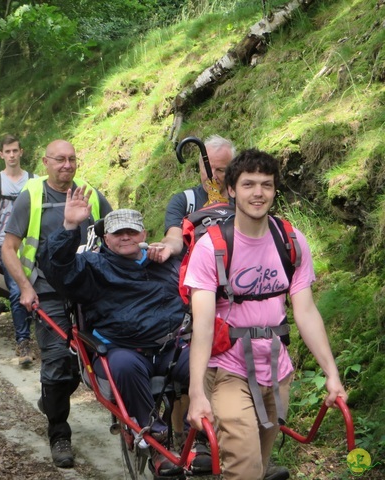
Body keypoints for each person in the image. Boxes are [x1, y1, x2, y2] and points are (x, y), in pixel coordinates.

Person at [184, 149, 347, 480]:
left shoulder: (291, 241)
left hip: (277, 371)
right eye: (248, 184)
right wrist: (196, 391)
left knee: (258, 463)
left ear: (274, 190)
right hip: (228, 371)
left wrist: (332, 372)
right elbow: (201, 325)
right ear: (231, 190)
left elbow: (305, 312)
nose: (258, 193)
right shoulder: (212, 247)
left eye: (266, 185)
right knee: (244, 469)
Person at [42, 196, 189, 476]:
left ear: (143, 234)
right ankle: (154, 440)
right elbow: (57, 270)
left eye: (131, 231)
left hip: (170, 347)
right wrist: (69, 227)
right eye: (118, 233)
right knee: (124, 365)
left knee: (207, 363)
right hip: (122, 350)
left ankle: (203, 439)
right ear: (106, 239)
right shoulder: (91, 267)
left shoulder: (165, 263)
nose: (125, 237)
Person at [2, 139, 112, 468]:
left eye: (72, 159)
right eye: (60, 160)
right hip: (47, 291)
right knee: (56, 359)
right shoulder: (32, 196)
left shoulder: (90, 193)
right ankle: (59, 432)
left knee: (89, 358)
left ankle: (52, 399)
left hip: (87, 288)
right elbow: (9, 247)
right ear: (46, 162)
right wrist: (24, 286)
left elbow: (114, 230)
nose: (67, 165)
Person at [0, 135, 36, 366]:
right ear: (1, 154)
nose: (12, 155)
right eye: (8, 151)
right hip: (6, 245)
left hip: (32, 245)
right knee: (17, 290)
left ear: (21, 152)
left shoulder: (33, 180)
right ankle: (23, 342)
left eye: (16, 150)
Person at [150, 135, 236, 263]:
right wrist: (167, 246)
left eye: (220, 170)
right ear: (200, 166)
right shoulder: (184, 201)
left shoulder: (242, 201)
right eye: (207, 168)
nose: (212, 176)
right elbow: (174, 237)